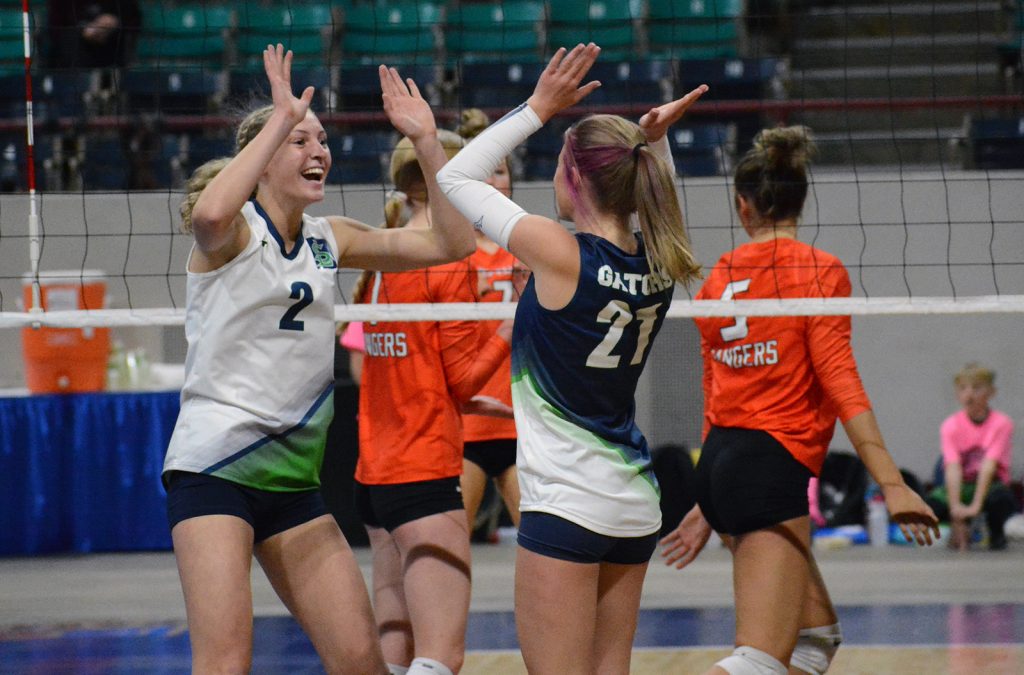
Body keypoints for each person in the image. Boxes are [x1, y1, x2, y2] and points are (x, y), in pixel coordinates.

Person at [162, 46, 475, 674]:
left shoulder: (331, 238)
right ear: (265, 157)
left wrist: (426, 144)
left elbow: (452, 242)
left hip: (293, 483)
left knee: (361, 660)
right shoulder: (232, 234)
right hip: (215, 467)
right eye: (300, 139)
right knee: (225, 660)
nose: (319, 150)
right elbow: (212, 210)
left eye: (322, 139)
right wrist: (280, 117)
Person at [438, 43, 706, 674]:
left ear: (576, 178)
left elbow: (454, 178)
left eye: (560, 163)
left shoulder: (558, 253)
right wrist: (656, 144)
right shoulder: (661, 262)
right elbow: (659, 204)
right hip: (635, 503)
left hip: (567, 505)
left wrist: (538, 107)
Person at [660, 125, 941, 675]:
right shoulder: (817, 269)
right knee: (759, 659)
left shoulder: (720, 276)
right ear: (801, 199)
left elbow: (712, 385)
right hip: (766, 465)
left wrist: (707, 495)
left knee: (814, 641)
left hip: (722, 459)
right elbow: (839, 379)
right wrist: (891, 482)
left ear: (743, 207)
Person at [352, 88, 515, 675]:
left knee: (394, 639)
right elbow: (464, 380)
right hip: (423, 469)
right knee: (440, 655)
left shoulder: (378, 257)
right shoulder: (449, 260)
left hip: (372, 475)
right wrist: (509, 323)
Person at [453, 108, 523, 538]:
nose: (495, 181)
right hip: (467, 423)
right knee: (450, 547)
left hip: (520, 420)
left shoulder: (528, 245)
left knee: (541, 545)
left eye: (500, 172)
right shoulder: (448, 253)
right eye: (485, 173)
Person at [925, 363, 1018, 551]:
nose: (969, 394)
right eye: (963, 388)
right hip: (963, 485)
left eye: (976, 388)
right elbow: (952, 467)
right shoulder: (950, 425)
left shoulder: (1001, 423)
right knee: (930, 506)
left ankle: (996, 534)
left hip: (990, 484)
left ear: (990, 392)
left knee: (1001, 501)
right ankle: (957, 530)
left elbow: (988, 466)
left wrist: (975, 506)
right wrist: (956, 511)